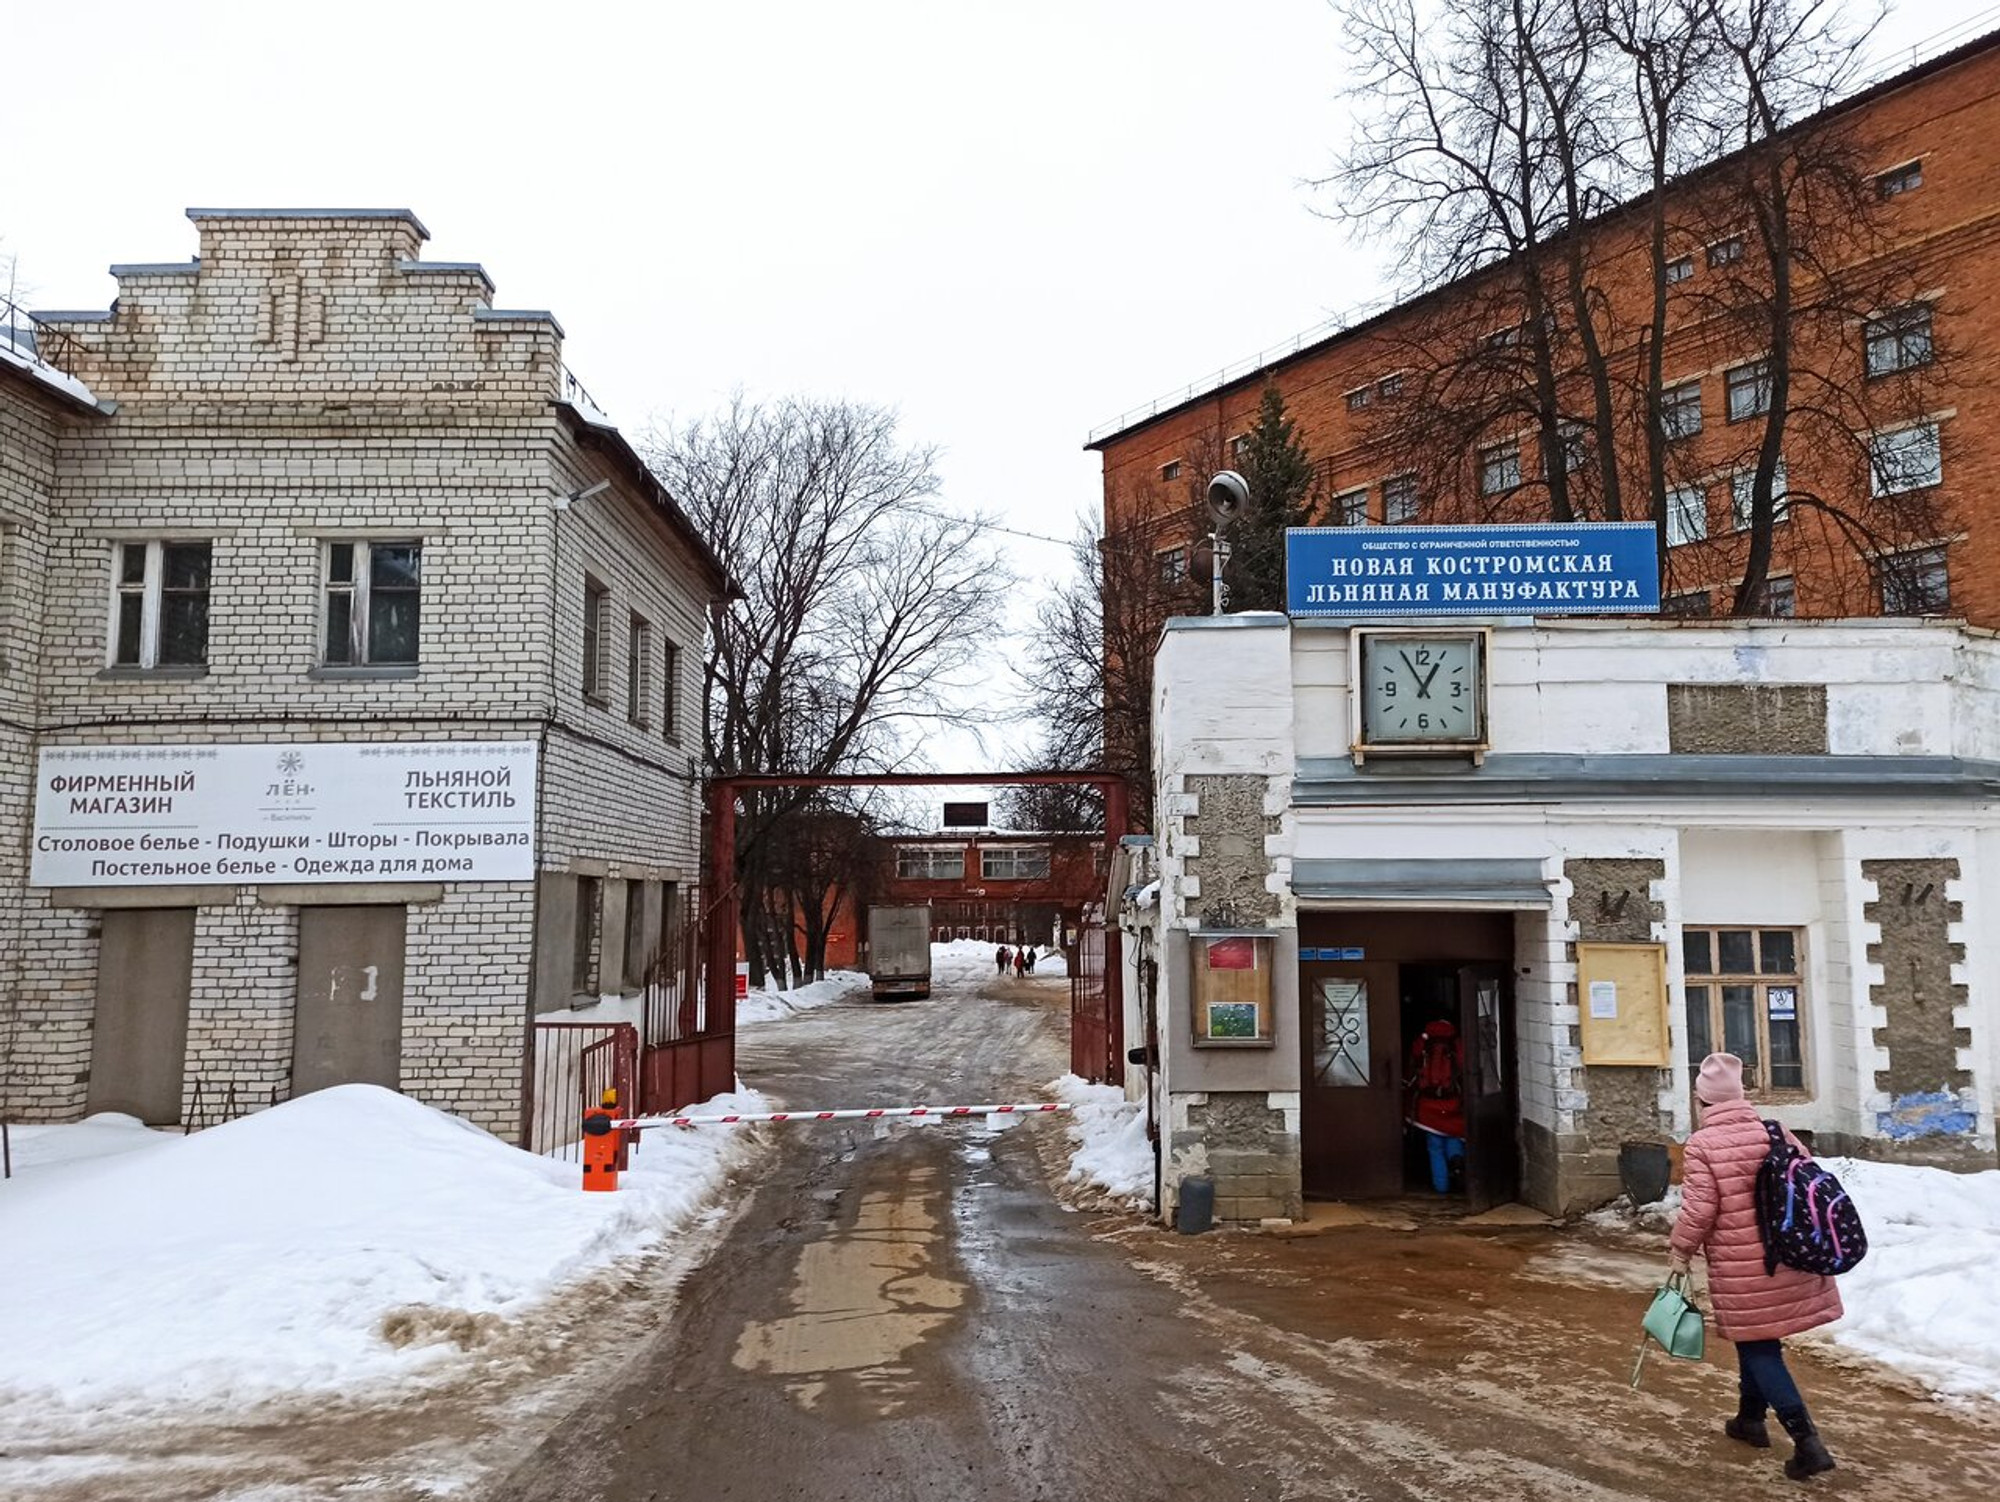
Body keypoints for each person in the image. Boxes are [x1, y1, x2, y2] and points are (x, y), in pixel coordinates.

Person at [1669, 1052, 1841, 1481]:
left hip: (1743, 1265)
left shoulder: (1703, 1145)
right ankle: (1749, 1419)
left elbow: (1700, 1210)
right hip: (1790, 1254)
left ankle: (1807, 1442)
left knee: (1759, 1346)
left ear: (1702, 1101)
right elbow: (1807, 1183)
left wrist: (1679, 1250)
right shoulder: (1775, 1131)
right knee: (1757, 1339)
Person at [1404, 1019, 1465, 1192]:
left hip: (1427, 1102)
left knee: (1435, 1147)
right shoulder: (1457, 1042)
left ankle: (1441, 1188)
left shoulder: (1423, 1042)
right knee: (1454, 1134)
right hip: (1452, 1100)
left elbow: (1412, 1065)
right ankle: (1457, 1160)